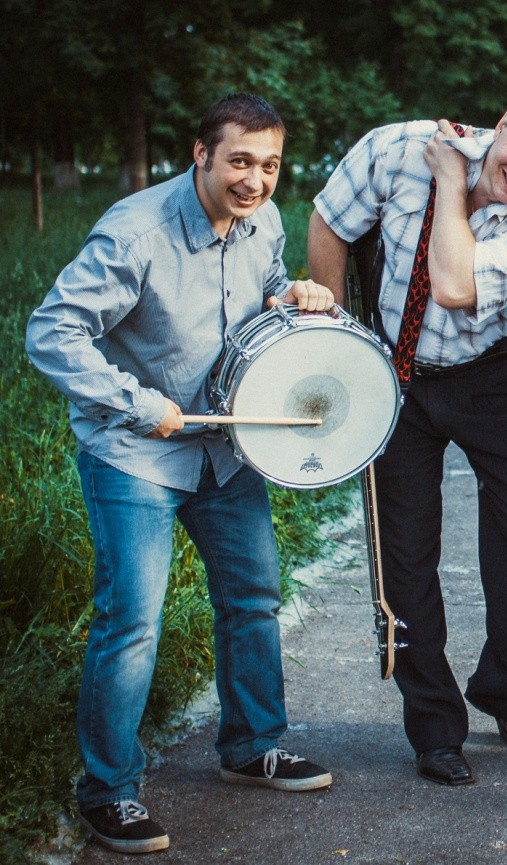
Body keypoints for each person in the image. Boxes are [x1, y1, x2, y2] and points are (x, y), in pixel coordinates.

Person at [25, 93, 335, 855]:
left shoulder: (263, 220)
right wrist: (138, 403)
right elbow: (51, 331)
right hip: (136, 450)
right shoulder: (136, 232)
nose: (254, 179)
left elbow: (255, 303)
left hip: (226, 444)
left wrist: (291, 297)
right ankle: (108, 790)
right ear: (200, 154)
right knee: (132, 620)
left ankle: (252, 745)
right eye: (238, 161)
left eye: (268, 165)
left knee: (254, 595)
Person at [307, 86, 507, 786]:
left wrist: (447, 181)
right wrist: (340, 338)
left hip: (489, 372)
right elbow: (328, 222)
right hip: (391, 371)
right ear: (501, 125)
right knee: (404, 556)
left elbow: (456, 284)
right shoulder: (396, 146)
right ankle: (434, 728)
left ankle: (504, 687)